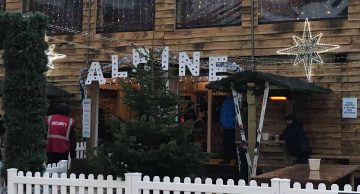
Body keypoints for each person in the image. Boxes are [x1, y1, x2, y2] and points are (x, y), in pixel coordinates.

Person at [220, 96, 236, 164]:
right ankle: (226, 160)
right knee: (226, 144)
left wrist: (234, 122)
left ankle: (236, 160)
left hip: (232, 127)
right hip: (225, 127)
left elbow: (236, 114)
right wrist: (221, 123)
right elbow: (222, 113)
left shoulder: (234, 102)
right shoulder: (225, 102)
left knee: (233, 144)